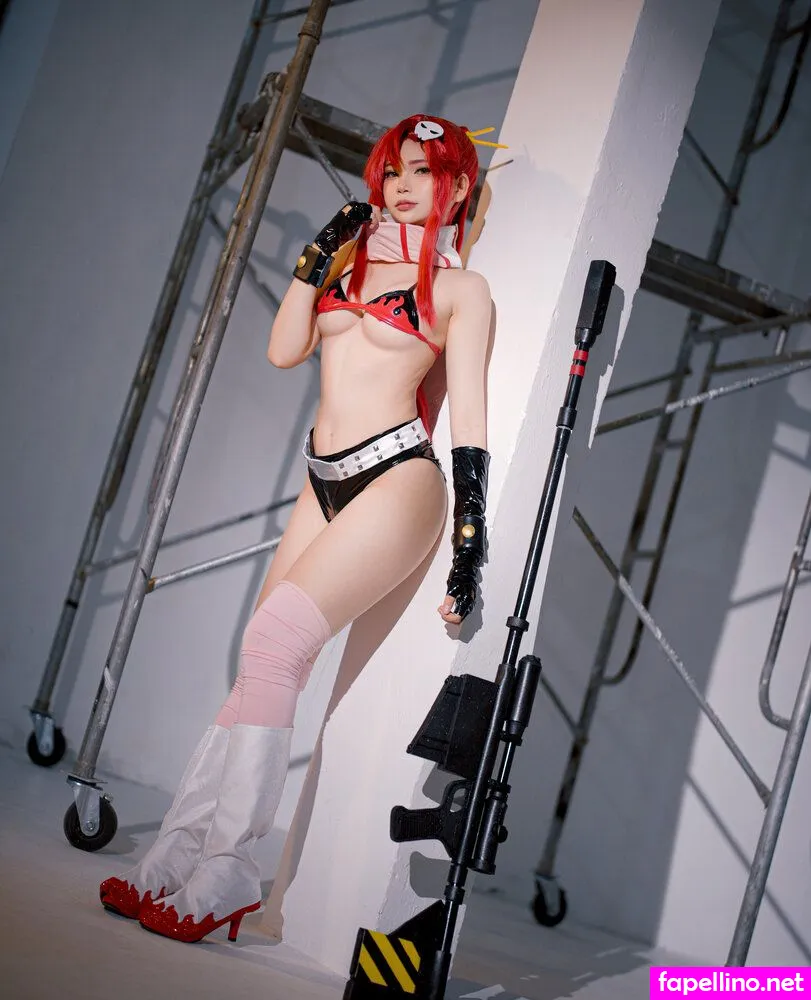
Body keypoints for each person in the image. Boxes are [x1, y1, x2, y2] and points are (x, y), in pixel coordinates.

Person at [99, 114, 494, 944]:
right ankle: (180, 850)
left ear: (457, 186)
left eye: (424, 172)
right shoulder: (351, 263)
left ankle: (230, 868)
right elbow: (284, 350)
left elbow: (469, 421)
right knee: (260, 660)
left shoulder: (462, 291)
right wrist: (319, 256)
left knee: (275, 644)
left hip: (399, 477)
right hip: (323, 476)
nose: (403, 186)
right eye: (393, 171)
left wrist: (469, 545)